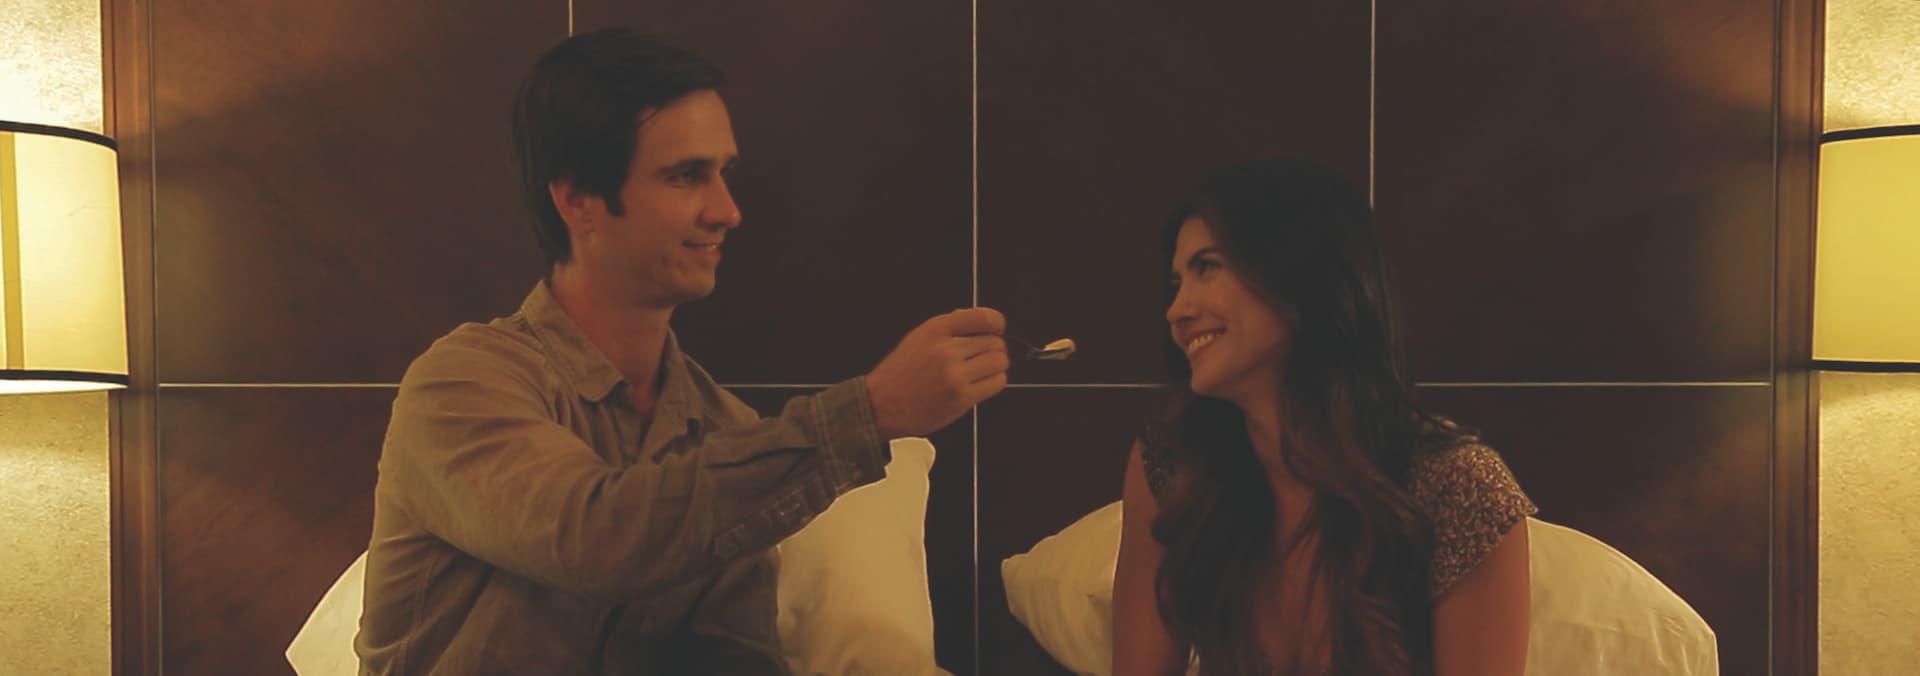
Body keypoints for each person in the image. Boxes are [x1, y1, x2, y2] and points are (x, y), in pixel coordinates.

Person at [355, 29, 1008, 675]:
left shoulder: (722, 433)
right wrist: (870, 412)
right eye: (687, 176)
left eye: (724, 173)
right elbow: (595, 537)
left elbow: (732, 656)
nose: (727, 210)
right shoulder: (462, 383)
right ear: (578, 202)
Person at [1111, 158, 1537, 676]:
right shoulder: (1175, 462)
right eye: (1176, 282)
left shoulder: (1459, 488)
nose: (1177, 309)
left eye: (1207, 267)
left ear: (1298, 274)